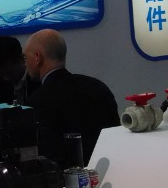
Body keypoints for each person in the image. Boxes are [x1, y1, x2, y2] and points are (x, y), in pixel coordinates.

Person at [22, 29, 119, 169]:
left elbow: (50, 159)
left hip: (72, 179)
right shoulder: (98, 87)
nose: (25, 64)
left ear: (37, 57)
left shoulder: (38, 101)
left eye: (26, 58)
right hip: (112, 170)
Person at [0, 35, 40, 107]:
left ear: (22, 59)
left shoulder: (38, 79)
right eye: (0, 73)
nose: (6, 78)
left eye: (10, 72)